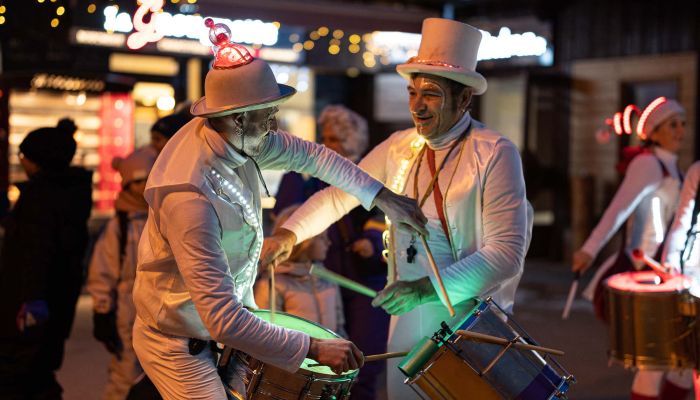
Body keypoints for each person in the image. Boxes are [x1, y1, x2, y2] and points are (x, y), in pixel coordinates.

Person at [131, 20, 426, 400]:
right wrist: (313, 348)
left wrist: (382, 196)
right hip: (176, 343)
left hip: (218, 329)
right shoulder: (188, 197)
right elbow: (222, 319)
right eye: (267, 113)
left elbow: (316, 157)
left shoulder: (241, 136)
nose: (274, 123)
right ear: (238, 118)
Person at [262, 18, 532, 399]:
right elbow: (341, 194)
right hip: (408, 313)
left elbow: (506, 254)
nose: (417, 107)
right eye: (412, 92)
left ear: (464, 99)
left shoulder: (493, 152)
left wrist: (423, 290)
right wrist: (289, 234)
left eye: (432, 94)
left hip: (471, 319)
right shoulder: (398, 146)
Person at [572, 97, 687, 400]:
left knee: (683, 362)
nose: (680, 131)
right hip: (646, 275)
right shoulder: (648, 164)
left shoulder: (673, 168)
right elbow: (618, 210)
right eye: (673, 124)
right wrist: (589, 249)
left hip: (667, 275)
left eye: (683, 124)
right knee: (658, 360)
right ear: (654, 132)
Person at [272, 105, 389, 399]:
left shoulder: (370, 172)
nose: (329, 146)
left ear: (355, 141)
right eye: (325, 138)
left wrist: (372, 241)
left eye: (336, 140)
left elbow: (384, 215)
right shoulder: (307, 173)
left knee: (365, 361)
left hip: (365, 282)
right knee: (324, 363)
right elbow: (286, 215)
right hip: (323, 279)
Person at [0, 121, 93, 399]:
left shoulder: (40, 197)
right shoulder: (70, 194)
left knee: (21, 375)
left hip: (28, 305)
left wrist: (31, 300)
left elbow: (35, 251)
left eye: (23, 156)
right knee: (36, 371)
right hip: (56, 300)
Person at [87, 147, 157, 400]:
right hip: (128, 312)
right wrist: (102, 310)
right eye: (135, 181)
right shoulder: (119, 226)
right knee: (124, 376)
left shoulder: (166, 218)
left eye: (146, 180)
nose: (141, 187)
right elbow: (102, 271)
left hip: (161, 311)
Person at [255, 205, 345, 334]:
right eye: (321, 237)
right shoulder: (273, 284)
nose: (328, 242)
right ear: (304, 241)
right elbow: (266, 333)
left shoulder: (328, 279)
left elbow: (340, 328)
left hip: (330, 353)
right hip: (295, 353)